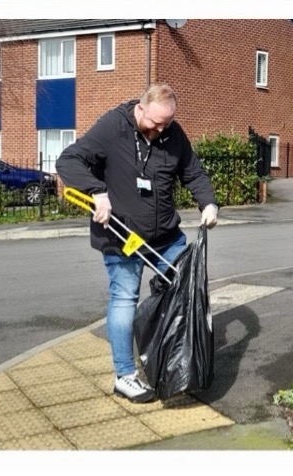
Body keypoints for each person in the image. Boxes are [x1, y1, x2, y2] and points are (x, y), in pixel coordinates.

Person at [56, 83, 220, 403]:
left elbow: (193, 172)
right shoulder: (113, 127)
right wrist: (96, 192)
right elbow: (68, 160)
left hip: (166, 237)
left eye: (167, 123)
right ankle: (125, 376)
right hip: (123, 236)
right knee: (124, 299)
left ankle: (171, 357)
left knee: (184, 289)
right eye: (156, 122)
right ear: (141, 108)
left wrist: (208, 204)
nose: (160, 129)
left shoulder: (173, 134)